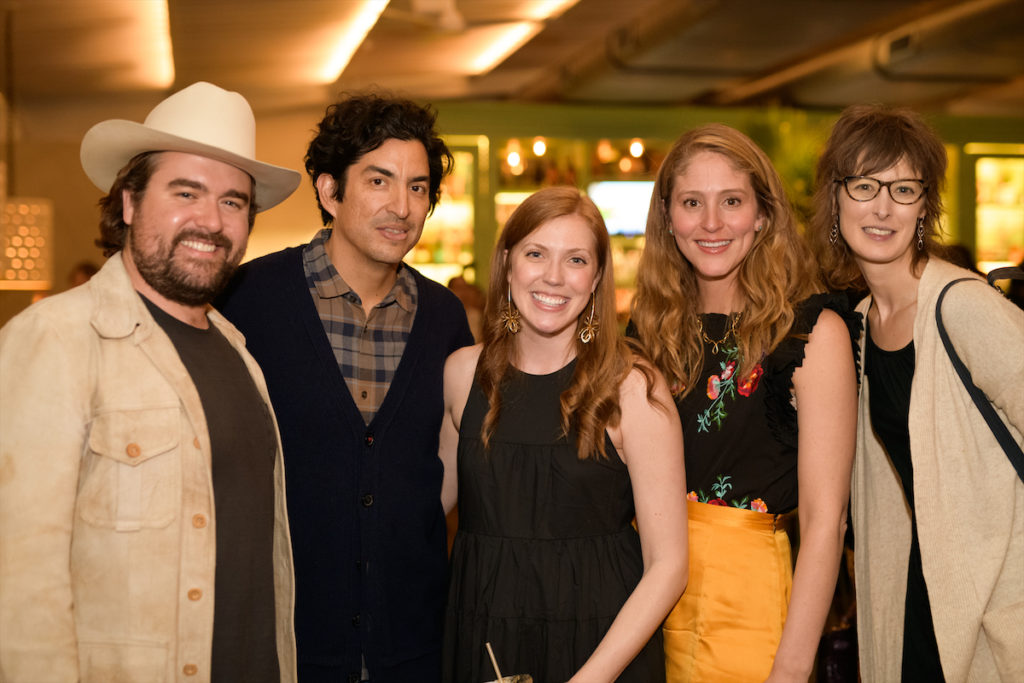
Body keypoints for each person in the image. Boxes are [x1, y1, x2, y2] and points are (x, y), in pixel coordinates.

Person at [0, 82, 302, 681]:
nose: (210, 221)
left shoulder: (241, 355)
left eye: (233, 202)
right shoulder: (55, 339)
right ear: (130, 202)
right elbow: (19, 583)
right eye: (185, 192)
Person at [217, 93, 474, 682]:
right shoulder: (248, 300)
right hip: (286, 645)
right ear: (330, 191)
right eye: (379, 180)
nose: (401, 206)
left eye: (418, 186)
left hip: (411, 647)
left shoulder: (444, 318)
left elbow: (444, 470)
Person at [629, 123, 858, 682]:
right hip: (640, 602)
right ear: (668, 217)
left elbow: (827, 522)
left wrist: (791, 667)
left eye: (731, 201)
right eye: (691, 202)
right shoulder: (649, 331)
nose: (711, 223)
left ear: (762, 215)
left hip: (750, 612)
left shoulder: (809, 335)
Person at [809, 104, 1024, 682]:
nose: (882, 207)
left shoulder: (964, 307)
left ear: (925, 206)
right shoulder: (857, 326)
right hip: (917, 597)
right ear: (836, 198)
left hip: (997, 606)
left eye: (904, 189)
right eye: (865, 185)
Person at [440, 186, 688, 682]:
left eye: (575, 260)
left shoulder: (633, 386)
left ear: (596, 277)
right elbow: (425, 508)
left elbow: (670, 566)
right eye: (536, 254)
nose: (553, 277)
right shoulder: (463, 374)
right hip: (485, 641)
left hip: (602, 651)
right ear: (508, 264)